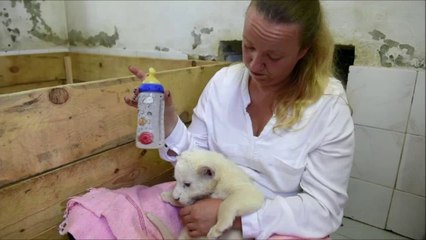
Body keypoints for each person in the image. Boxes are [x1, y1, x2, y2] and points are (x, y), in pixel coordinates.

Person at [63, 0, 354, 239]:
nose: (254, 64)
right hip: (203, 205)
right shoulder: (224, 83)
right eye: (248, 46)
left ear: (303, 52)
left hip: (277, 222)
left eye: (273, 56)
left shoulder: (329, 106)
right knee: (95, 218)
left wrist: (235, 218)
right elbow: (195, 158)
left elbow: (324, 209)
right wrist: (167, 119)